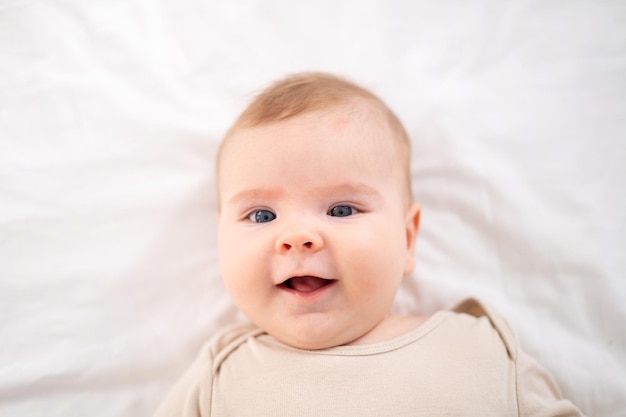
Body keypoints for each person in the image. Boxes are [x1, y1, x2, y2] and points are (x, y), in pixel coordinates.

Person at [153, 72, 583, 416]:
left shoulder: (477, 346)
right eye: (261, 215)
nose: (297, 237)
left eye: (341, 210)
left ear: (408, 238)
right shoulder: (220, 372)